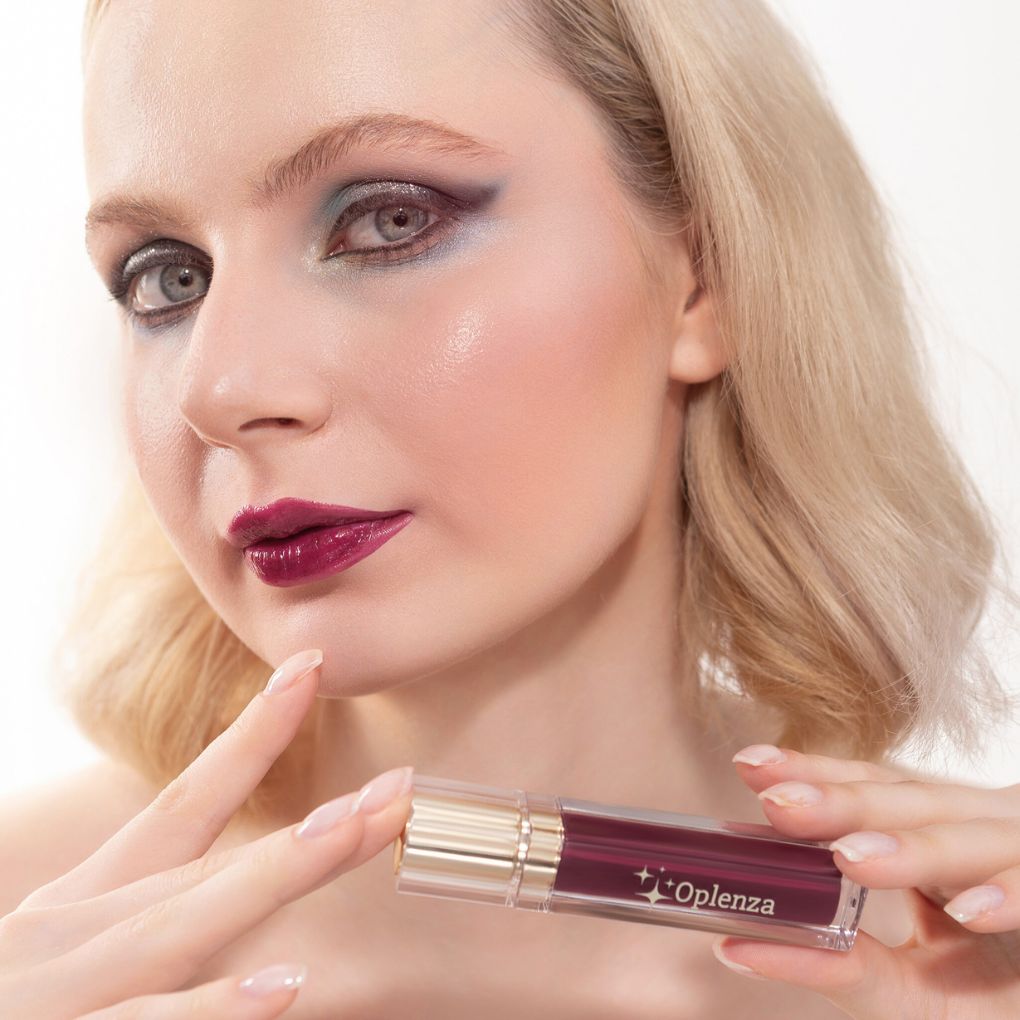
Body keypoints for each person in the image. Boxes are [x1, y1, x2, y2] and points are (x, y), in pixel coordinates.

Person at [1, 0, 1017, 1016]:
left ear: (703, 275)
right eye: (167, 278)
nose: (220, 389)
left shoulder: (961, 941)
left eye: (389, 220)